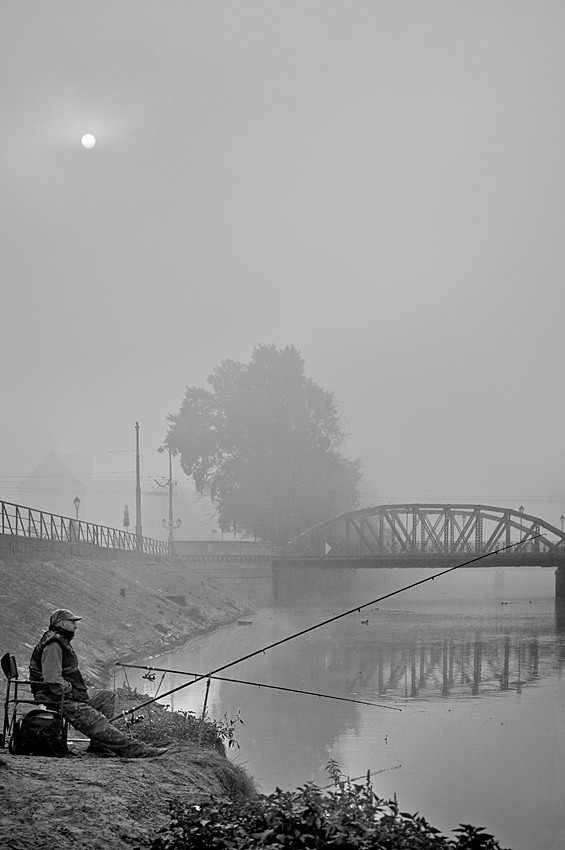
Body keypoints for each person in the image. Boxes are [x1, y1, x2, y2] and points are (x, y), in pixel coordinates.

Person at [29, 608, 169, 758]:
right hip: (57, 697)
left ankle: (99, 745)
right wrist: (70, 689)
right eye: (72, 622)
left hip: (68, 694)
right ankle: (137, 751)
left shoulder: (58, 640)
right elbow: (52, 679)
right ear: (62, 623)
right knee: (99, 723)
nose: (75, 626)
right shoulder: (54, 644)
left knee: (107, 696)